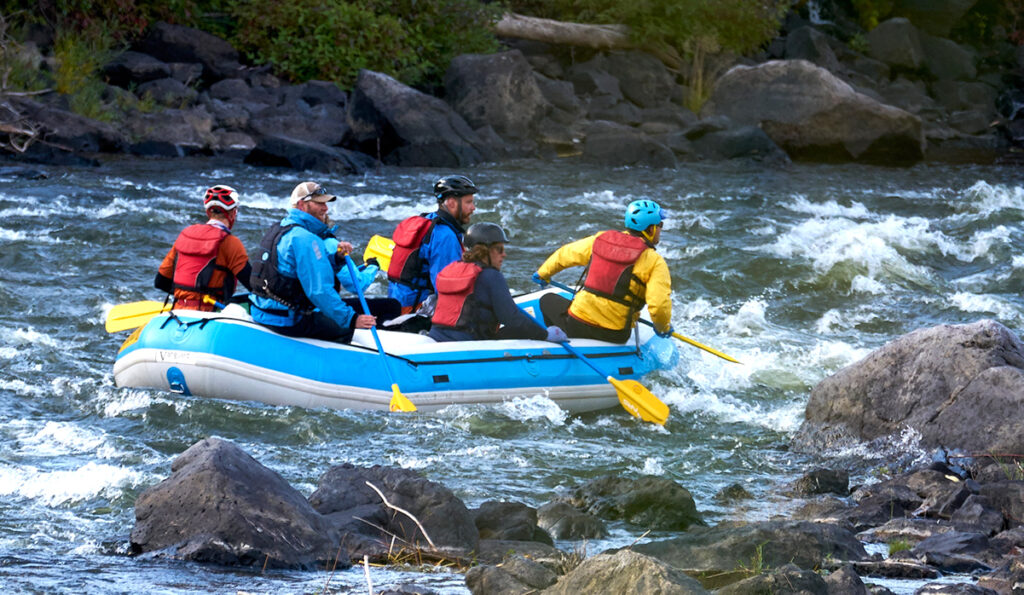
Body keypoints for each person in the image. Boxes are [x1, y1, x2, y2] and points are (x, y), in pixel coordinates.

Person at [249, 181, 400, 342]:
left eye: (325, 203)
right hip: (289, 320)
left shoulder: (280, 228)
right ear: (301, 205)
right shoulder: (305, 239)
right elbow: (319, 291)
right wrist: (352, 319)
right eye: (319, 203)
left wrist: (336, 259)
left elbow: (293, 271)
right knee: (351, 327)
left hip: (264, 312)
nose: (325, 208)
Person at [533, 200, 673, 344]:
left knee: (547, 299)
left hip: (576, 325)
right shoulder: (655, 261)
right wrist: (663, 328)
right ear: (651, 230)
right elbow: (659, 306)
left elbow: (566, 254)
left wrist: (543, 274)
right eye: (660, 225)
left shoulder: (600, 240)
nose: (660, 230)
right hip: (616, 335)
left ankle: (561, 344)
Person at [429, 222, 567, 343]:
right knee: (519, 331)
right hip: (469, 342)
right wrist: (545, 335)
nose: (504, 254)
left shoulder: (452, 269)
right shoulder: (491, 276)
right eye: (499, 249)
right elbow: (512, 319)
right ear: (484, 251)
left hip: (437, 337)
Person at [387, 175, 477, 314]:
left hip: (395, 303)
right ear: (452, 203)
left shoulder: (428, 220)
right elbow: (447, 289)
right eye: (469, 202)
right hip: (414, 310)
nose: (473, 208)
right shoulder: (445, 236)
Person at [155, 185, 252, 311]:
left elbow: (160, 282)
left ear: (208, 212)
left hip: (177, 311)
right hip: (209, 314)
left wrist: (188, 295)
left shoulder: (185, 234)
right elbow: (254, 286)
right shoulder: (230, 242)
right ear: (233, 213)